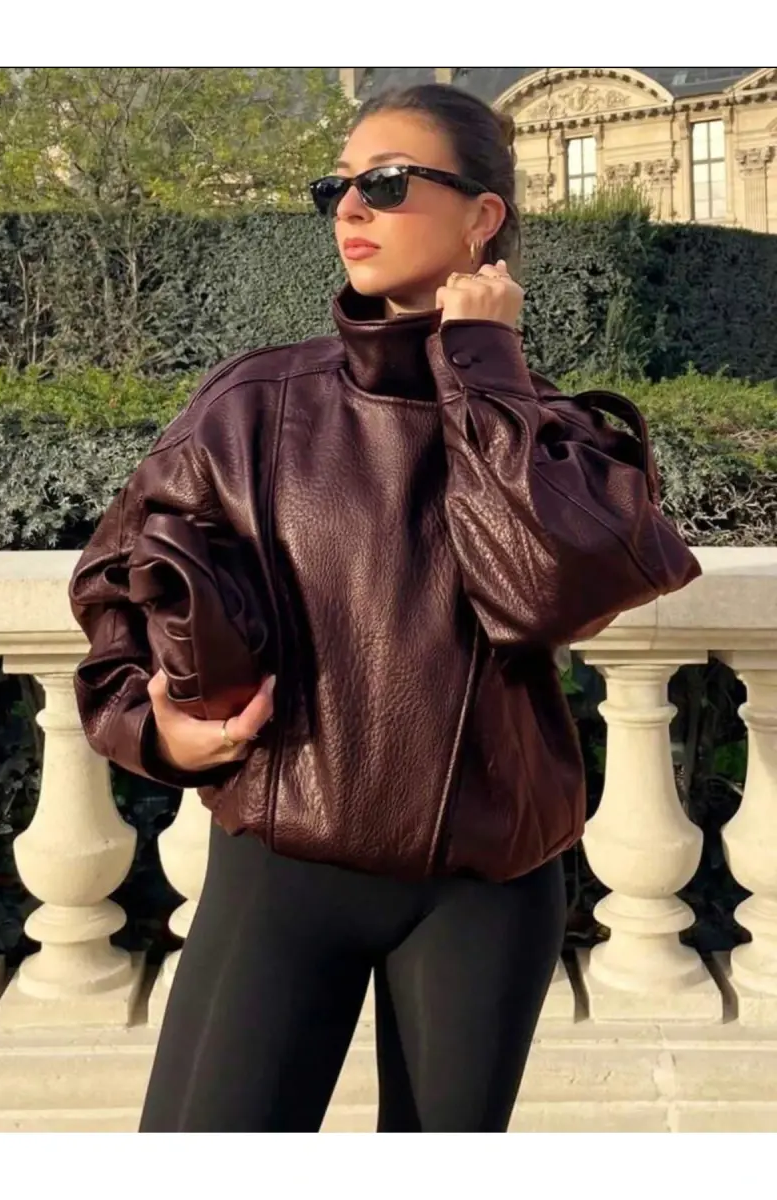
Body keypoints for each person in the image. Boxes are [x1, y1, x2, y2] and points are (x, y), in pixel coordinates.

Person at [69, 83, 700, 1133]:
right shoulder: (254, 404)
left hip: (484, 884)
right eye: (339, 187)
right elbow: (112, 586)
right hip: (279, 868)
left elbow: (539, 592)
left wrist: (483, 366)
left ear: (482, 216)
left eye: (389, 182)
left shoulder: (552, 433)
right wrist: (156, 730)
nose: (351, 208)